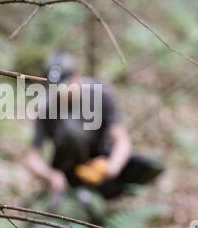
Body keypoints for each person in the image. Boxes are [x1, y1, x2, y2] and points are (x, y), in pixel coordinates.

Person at [26, 52, 164, 200]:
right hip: (68, 169)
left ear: (77, 76)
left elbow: (121, 140)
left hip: (102, 160)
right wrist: (51, 176)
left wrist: (112, 167)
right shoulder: (46, 108)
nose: (62, 92)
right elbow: (32, 157)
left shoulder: (101, 94)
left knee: (151, 166)